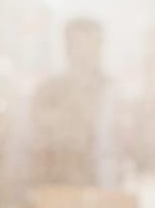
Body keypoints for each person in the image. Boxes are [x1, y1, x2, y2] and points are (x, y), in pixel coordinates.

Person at [24, 16, 119, 189]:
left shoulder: (112, 93)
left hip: (105, 196)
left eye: (94, 44)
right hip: (60, 194)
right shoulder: (49, 93)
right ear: (68, 49)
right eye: (81, 45)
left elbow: (122, 149)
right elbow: (36, 147)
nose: (89, 52)